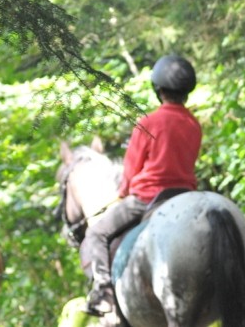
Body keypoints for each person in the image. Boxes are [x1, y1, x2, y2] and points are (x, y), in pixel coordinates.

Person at [80, 54, 203, 316]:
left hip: (148, 197)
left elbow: (131, 168)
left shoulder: (148, 122)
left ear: (158, 90)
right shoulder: (193, 124)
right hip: (184, 197)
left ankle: (103, 293)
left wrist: (124, 191)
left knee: (96, 234)